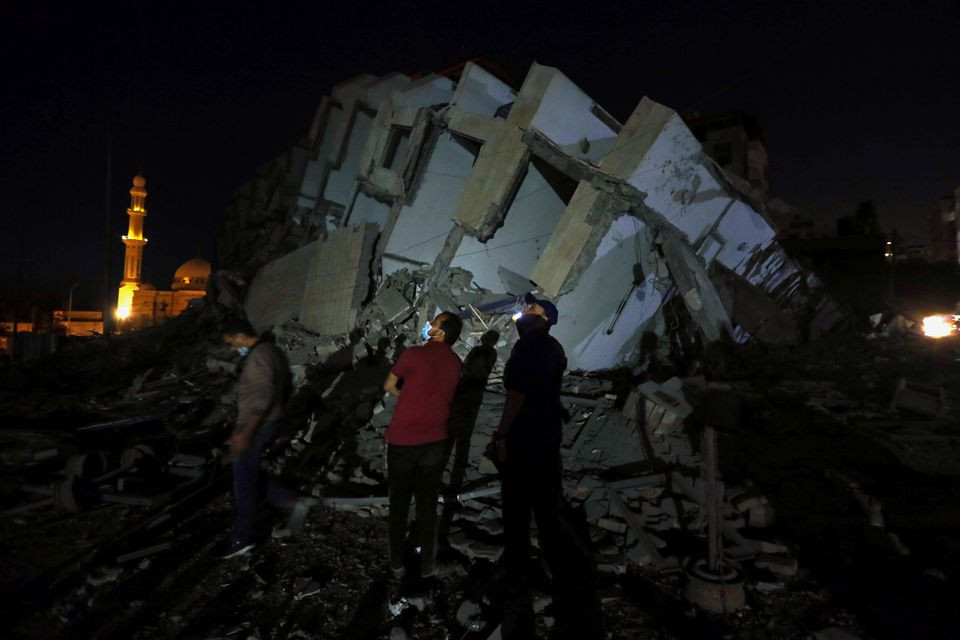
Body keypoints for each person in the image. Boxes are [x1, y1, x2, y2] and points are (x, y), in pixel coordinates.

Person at [492, 294, 567, 636]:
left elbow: (516, 395)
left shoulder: (529, 347)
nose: (524, 312)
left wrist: (503, 435)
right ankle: (556, 572)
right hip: (549, 435)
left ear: (546, 319)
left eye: (532, 310)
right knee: (548, 505)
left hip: (525, 436)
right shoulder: (555, 348)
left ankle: (518, 579)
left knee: (517, 507)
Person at [382, 311, 463, 578]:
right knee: (427, 505)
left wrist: (409, 398)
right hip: (435, 440)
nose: (429, 325)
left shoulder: (413, 354)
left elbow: (389, 385)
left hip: (403, 439)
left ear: (441, 332)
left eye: (435, 323)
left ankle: (396, 564)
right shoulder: (456, 362)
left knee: (399, 504)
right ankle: (429, 565)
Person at [220, 317, 302, 558]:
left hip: (256, 426)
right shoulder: (272, 351)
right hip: (267, 423)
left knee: (244, 484)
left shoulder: (258, 357)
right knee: (252, 472)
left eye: (231, 343)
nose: (232, 349)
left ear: (239, 335)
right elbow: (285, 388)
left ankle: (242, 539)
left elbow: (264, 396)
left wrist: (245, 433)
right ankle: (291, 501)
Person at [445, 329, 499, 495]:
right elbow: (468, 367)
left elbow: (476, 368)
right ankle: (449, 465)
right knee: (455, 429)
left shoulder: (487, 352)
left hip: (471, 390)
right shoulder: (482, 351)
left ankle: (455, 470)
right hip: (467, 389)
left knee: (461, 431)